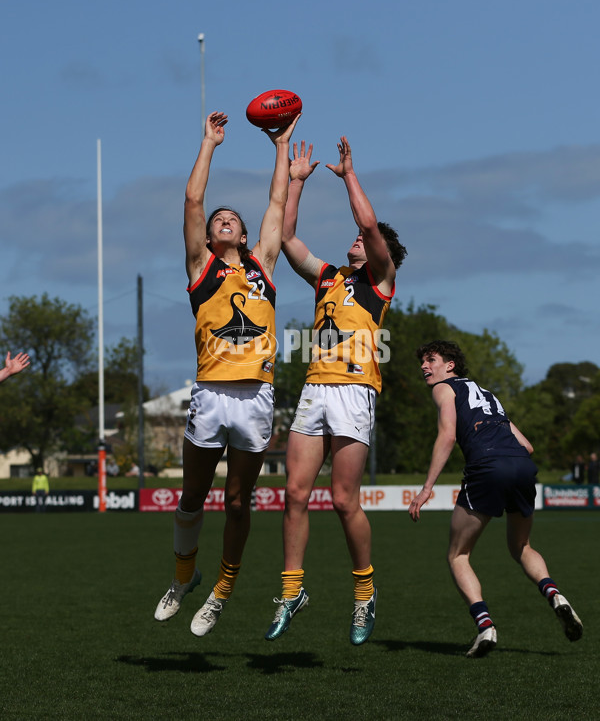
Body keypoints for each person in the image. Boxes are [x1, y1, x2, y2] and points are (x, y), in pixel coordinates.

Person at [154, 109, 299, 637]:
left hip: (257, 397)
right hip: (211, 394)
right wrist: (210, 143)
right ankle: (182, 577)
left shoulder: (263, 262)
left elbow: (278, 203)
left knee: (238, 501)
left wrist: (281, 144)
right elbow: (192, 200)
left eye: (231, 217)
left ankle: (222, 589)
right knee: (193, 496)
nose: (223, 219)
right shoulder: (201, 269)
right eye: (219, 219)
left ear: (242, 233)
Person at [264, 136, 406, 645]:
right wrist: (297, 182)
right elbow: (285, 238)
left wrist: (348, 175)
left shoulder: (381, 281)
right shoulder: (329, 278)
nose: (356, 239)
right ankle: (291, 589)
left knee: (344, 501)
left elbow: (368, 225)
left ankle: (365, 595)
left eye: (363, 240)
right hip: (315, 390)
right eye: (354, 238)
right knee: (295, 493)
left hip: (354, 392)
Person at [409, 340, 583, 658]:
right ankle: (554, 593)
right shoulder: (487, 395)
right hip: (521, 465)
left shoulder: (444, 389)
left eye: (430, 360)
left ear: (450, 366)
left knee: (458, 555)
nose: (423, 366)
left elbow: (447, 435)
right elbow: (528, 446)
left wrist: (426, 488)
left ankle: (485, 626)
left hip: (487, 466)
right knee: (522, 547)